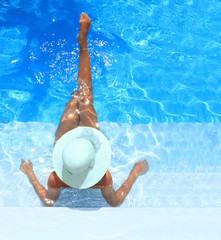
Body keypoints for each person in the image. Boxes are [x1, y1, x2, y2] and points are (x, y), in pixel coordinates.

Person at [20, 13, 149, 207]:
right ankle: (83, 44)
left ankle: (83, 45)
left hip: (75, 151)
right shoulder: (102, 179)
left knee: (77, 100)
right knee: (84, 98)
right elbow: (114, 201)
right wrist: (134, 173)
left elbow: (48, 201)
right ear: (94, 164)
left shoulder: (56, 179)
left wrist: (30, 173)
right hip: (76, 150)